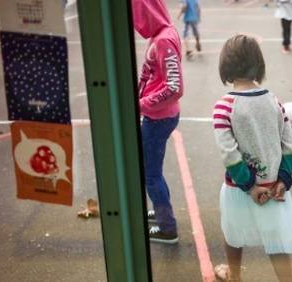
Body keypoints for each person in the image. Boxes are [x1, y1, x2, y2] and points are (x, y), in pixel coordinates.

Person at [212, 34, 292, 282]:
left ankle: (234, 275)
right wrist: (283, 179)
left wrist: (249, 186)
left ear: (226, 67)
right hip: (274, 188)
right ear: (259, 65)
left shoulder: (224, 105)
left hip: (239, 188)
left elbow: (228, 153)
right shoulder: (274, 101)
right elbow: (290, 145)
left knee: (233, 234)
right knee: (277, 242)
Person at [132, 0, 184, 243]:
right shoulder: (164, 32)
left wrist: (141, 104)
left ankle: (167, 228)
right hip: (160, 115)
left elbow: (175, 87)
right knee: (154, 173)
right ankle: (163, 212)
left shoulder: (163, 40)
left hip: (158, 118)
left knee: (151, 175)